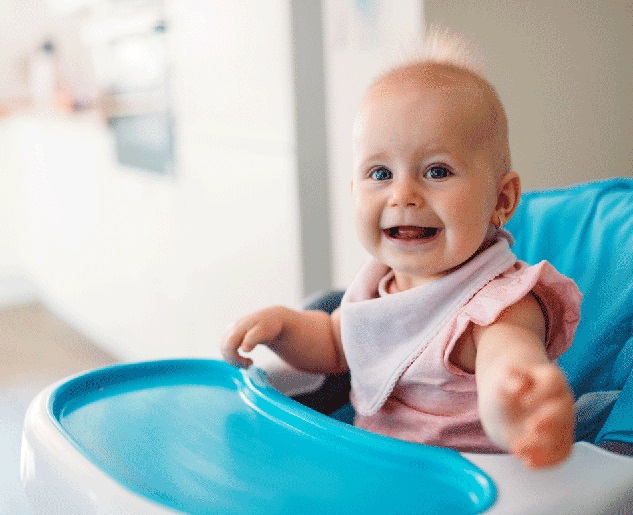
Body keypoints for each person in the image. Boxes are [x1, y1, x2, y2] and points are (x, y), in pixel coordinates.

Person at [221, 28, 582, 469]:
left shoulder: (497, 304)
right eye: (379, 174)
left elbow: (505, 362)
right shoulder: (378, 283)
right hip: (376, 471)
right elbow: (337, 344)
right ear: (354, 190)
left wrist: (520, 402)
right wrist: (283, 328)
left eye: (436, 171)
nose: (403, 194)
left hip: (462, 489)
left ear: (501, 201)